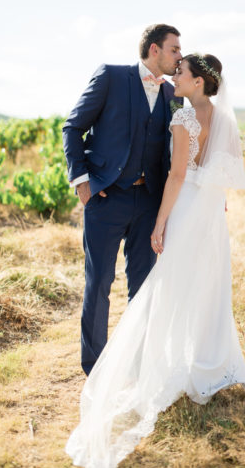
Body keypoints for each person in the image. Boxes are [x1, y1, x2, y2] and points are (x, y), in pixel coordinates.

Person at [65, 53, 245, 468]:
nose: (175, 73)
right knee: (207, 287)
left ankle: (157, 368)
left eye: (182, 70)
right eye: (174, 60)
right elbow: (222, 174)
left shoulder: (183, 116)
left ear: (199, 82)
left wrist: (161, 221)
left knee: (163, 290)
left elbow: (178, 175)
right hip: (210, 218)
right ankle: (210, 362)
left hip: (181, 210)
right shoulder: (222, 119)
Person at [63, 24, 182, 375]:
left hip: (149, 202)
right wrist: (82, 183)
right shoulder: (111, 77)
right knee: (99, 282)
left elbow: (177, 152)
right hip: (105, 197)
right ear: (155, 50)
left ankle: (135, 365)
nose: (179, 56)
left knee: (143, 286)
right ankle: (95, 368)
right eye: (174, 49)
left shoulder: (174, 94)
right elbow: (72, 127)